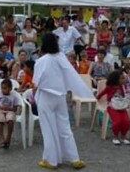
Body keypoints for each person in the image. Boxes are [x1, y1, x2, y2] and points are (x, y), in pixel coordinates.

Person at [33, 33, 91, 170]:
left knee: (48, 129)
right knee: (65, 128)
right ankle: (74, 158)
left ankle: (51, 160)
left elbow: (36, 83)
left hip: (46, 96)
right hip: (60, 96)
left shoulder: (41, 61)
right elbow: (71, 75)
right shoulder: (61, 57)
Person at [97, 70, 130, 145]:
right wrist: (97, 98)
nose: (124, 79)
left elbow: (127, 93)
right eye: (122, 78)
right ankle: (115, 136)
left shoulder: (123, 86)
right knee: (117, 121)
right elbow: (103, 93)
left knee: (127, 121)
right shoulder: (110, 87)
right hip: (112, 107)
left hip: (122, 106)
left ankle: (123, 135)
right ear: (116, 80)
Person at [0, 78, 20, 149]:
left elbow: (15, 109)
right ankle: (1, 137)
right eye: (2, 88)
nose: (3, 90)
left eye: (5, 88)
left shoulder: (14, 97)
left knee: (10, 120)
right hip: (0, 110)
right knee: (0, 120)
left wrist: (8, 108)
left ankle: (8, 137)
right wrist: (0, 107)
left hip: (10, 111)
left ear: (10, 88)